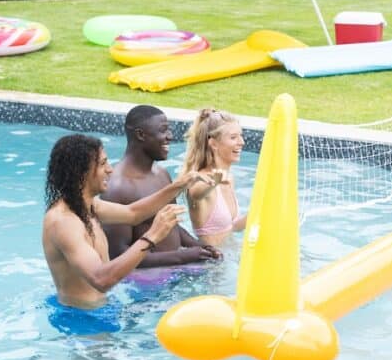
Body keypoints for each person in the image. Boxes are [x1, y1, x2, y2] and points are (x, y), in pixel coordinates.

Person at [42, 134, 211, 310]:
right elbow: (101, 279)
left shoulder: (87, 206)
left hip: (100, 307)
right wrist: (152, 236)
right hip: (80, 319)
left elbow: (133, 213)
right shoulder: (64, 222)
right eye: (102, 164)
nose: (110, 170)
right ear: (81, 172)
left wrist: (179, 185)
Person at [101, 105, 221, 267]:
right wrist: (183, 256)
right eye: (163, 130)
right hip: (145, 284)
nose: (170, 136)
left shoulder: (161, 174)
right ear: (140, 135)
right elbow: (118, 255)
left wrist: (200, 247)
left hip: (172, 269)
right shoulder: (118, 187)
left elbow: (172, 225)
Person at [183, 108, 247, 246]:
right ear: (214, 144)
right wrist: (214, 182)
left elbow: (232, 227)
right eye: (233, 137)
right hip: (210, 265)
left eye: (240, 136)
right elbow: (195, 193)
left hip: (229, 258)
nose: (241, 142)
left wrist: (260, 212)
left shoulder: (228, 178)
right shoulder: (200, 179)